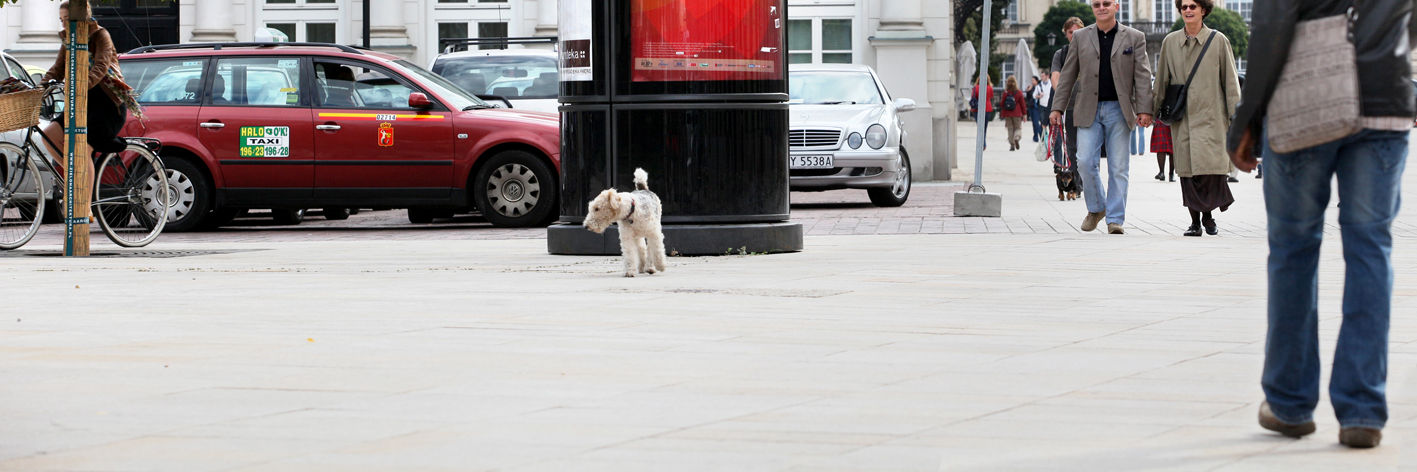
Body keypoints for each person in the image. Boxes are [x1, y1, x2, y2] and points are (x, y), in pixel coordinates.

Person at [1228, 0, 1413, 449]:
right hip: (1384, 96)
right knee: (1371, 249)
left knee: (1293, 250)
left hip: (1305, 91)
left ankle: (1290, 402)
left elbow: (1274, 21)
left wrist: (1248, 115)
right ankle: (1363, 409)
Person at [1051, 0, 1154, 235]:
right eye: (1096, 4)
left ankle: (1115, 219)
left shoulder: (1134, 37)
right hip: (1088, 108)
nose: (1101, 7)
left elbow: (1142, 74)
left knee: (1119, 167)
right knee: (1085, 161)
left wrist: (1145, 109)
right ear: (1092, 8)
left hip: (1120, 109)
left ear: (1116, 6)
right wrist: (1057, 108)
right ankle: (1097, 208)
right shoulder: (1080, 37)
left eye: (1106, 3)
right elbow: (1067, 75)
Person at [1154, 0, 1240, 237]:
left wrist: (1237, 118)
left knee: (1212, 172)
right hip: (1183, 119)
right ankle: (1195, 222)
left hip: (1213, 118)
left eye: (1193, 6)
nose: (1188, 10)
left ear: (1203, 10)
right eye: (1184, 7)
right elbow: (1161, 81)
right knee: (1188, 173)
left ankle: (1208, 215)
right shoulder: (1170, 42)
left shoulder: (1219, 41)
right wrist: (1149, 112)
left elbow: (1231, 83)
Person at [41, 1, 130, 158]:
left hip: (107, 104)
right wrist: (39, 88)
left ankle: (84, 182)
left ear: (82, 17)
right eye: (61, 20)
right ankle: (72, 179)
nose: (64, 24)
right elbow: (57, 69)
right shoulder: (68, 40)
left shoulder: (101, 35)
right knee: (49, 135)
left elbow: (101, 66)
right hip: (81, 101)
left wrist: (81, 85)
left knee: (82, 149)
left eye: (67, 19)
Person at [1050, 18, 1085, 176]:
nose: (1074, 34)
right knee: (1072, 145)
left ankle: (1086, 177)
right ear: (1066, 33)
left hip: (1089, 104)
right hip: (1070, 105)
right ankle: (1076, 179)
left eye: (1077, 31)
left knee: (1088, 145)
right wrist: (1061, 97)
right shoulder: (1061, 54)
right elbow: (1055, 77)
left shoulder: (1089, 51)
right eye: (1071, 32)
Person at [1000, 76, 1027, 151]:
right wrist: (1024, 114)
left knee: (1010, 129)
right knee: (1017, 128)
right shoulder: (1018, 92)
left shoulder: (1006, 93)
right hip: (1017, 113)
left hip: (1008, 114)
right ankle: (1017, 138)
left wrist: (1003, 113)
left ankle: (1012, 144)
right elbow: (1023, 104)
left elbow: (1002, 104)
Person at [970, 73, 994, 149]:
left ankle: (982, 143)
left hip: (977, 109)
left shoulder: (975, 88)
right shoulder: (990, 88)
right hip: (987, 108)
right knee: (985, 127)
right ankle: (983, 143)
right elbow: (991, 96)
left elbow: (973, 97)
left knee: (980, 127)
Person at [1025, 76, 1042, 142]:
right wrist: (1028, 90)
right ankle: (1035, 137)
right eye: (1031, 80)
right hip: (1031, 106)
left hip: (1037, 107)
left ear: (1037, 81)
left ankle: (1040, 135)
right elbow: (1028, 97)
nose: (1032, 82)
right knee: (1034, 123)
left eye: (1033, 80)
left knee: (1036, 122)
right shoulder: (1031, 87)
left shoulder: (1039, 87)